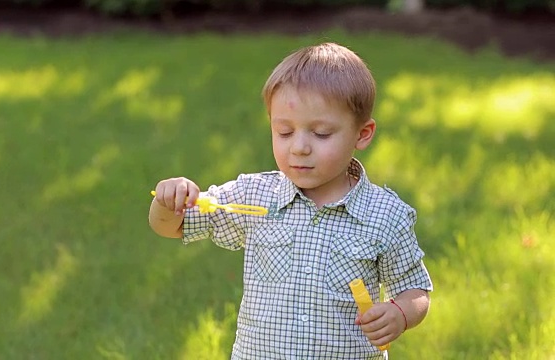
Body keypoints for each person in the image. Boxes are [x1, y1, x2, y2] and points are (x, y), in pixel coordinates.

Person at [148, 42, 433, 359]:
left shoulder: (385, 216)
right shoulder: (255, 197)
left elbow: (415, 290)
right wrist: (167, 201)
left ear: (362, 134)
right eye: (284, 131)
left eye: (321, 133)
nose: (299, 147)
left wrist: (401, 313)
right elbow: (173, 226)